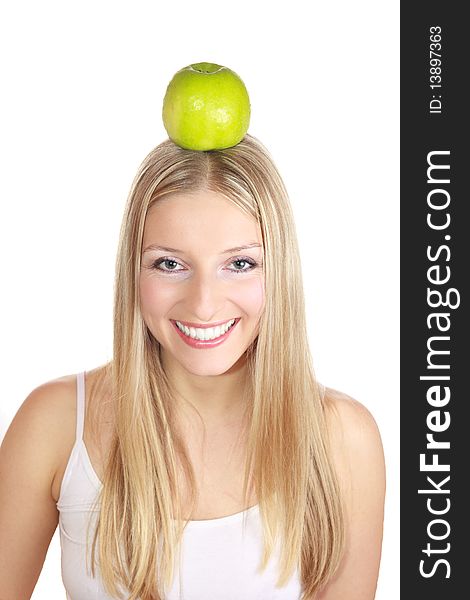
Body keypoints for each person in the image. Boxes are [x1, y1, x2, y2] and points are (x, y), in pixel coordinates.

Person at [0, 134, 385, 600]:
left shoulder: (342, 440)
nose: (204, 305)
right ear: (132, 271)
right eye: (169, 264)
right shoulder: (56, 423)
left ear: (279, 270)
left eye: (240, 263)